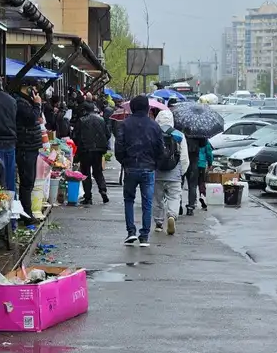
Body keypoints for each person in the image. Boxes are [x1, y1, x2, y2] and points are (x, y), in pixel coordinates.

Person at [115, 95, 164, 247]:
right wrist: (155, 163)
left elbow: (118, 148)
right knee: (147, 202)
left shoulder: (124, 125)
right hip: (148, 168)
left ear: (133, 108)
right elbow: (160, 149)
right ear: (148, 108)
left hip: (130, 167)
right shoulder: (154, 126)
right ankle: (144, 236)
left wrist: (124, 161)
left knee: (129, 200)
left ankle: (131, 232)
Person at [153, 110, 189, 235]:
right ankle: (172, 216)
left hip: (157, 173)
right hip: (174, 173)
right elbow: (184, 157)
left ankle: (158, 223)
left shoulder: (153, 133)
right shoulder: (179, 135)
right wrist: (181, 172)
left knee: (157, 199)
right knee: (174, 197)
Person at [13, 83, 43, 219]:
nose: (36, 93)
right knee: (27, 181)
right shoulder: (21, 103)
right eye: (34, 90)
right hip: (26, 147)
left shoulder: (27, 103)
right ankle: (26, 215)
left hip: (31, 146)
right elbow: (31, 119)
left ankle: (27, 213)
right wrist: (37, 105)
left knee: (30, 181)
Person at [72, 102, 110, 205]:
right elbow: (107, 134)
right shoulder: (101, 119)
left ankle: (88, 197)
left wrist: (79, 144)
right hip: (98, 150)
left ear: (84, 110)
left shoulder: (81, 120)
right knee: (98, 171)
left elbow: (75, 135)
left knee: (86, 173)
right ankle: (103, 190)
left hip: (85, 150)